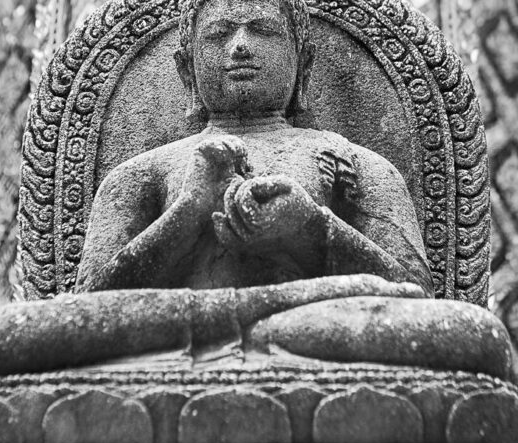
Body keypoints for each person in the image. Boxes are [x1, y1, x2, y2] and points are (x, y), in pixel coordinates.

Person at [74, 0, 433, 296]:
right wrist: (189, 211)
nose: (240, 46)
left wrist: (309, 225)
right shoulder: (142, 174)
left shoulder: (354, 163)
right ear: (186, 68)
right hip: (190, 333)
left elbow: (417, 294)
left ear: (303, 63)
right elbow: (87, 302)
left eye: (263, 30)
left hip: (310, 331)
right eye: (218, 34)